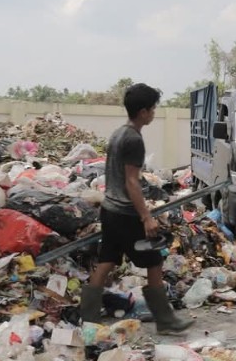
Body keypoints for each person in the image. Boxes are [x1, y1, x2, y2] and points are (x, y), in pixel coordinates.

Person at [80, 83, 193, 334]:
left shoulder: (119, 133)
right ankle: (165, 320)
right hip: (126, 213)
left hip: (109, 209)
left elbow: (122, 177)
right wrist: (146, 217)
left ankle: (87, 321)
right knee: (154, 261)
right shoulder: (133, 139)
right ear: (143, 111)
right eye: (152, 108)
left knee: (107, 261)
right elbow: (131, 181)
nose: (154, 113)